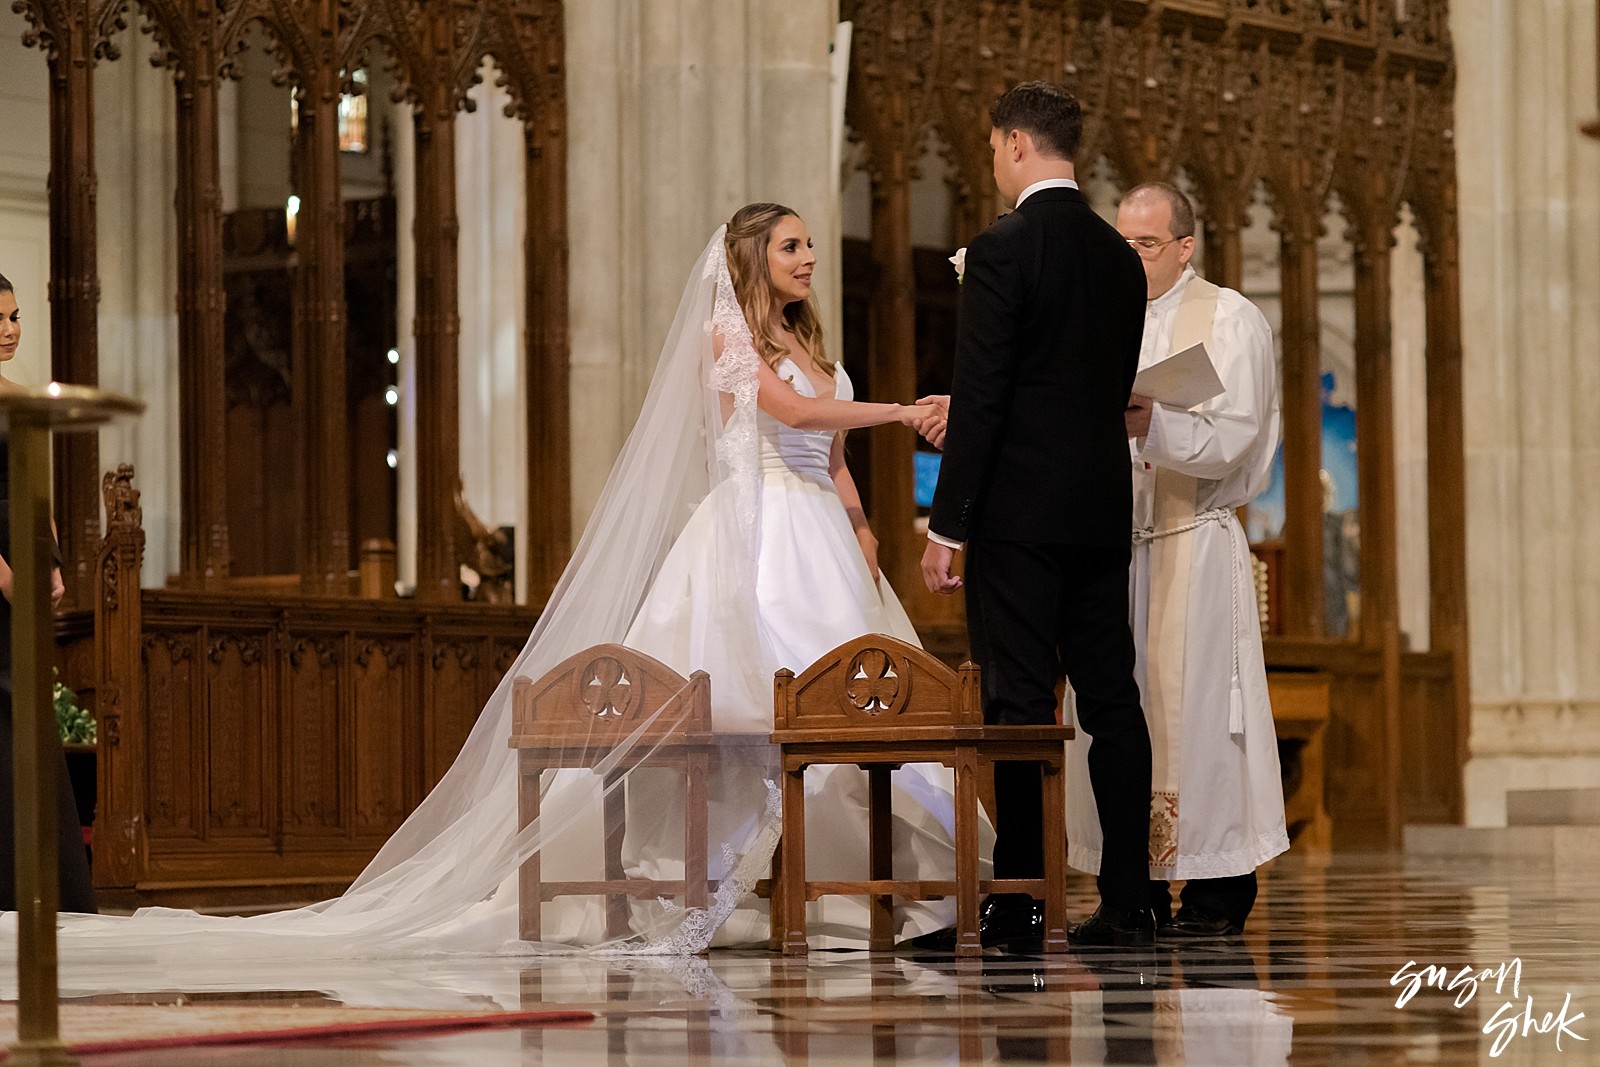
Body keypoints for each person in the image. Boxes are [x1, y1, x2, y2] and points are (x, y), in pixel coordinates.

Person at [11, 205, 976, 964]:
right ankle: (708, 885)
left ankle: (881, 893)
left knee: (862, 712)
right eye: (794, 246)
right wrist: (905, 408)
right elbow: (783, 409)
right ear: (752, 258)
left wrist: (861, 529)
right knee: (739, 717)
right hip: (755, 544)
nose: (810, 259)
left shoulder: (816, 342)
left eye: (811, 245)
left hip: (817, 535)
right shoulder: (732, 343)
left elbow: (827, 446)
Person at [919, 83, 1155, 948]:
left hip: (1019, 513)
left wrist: (949, 524)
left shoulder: (1003, 249)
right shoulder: (1120, 258)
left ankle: (1019, 900)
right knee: (1112, 698)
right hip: (1100, 506)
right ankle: (1131, 899)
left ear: (1016, 143)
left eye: (992, 146)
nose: (991, 160)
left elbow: (983, 398)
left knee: (1018, 702)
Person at [1068, 181, 1287, 938]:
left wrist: (1151, 421)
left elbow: (1237, 431)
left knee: (1202, 722)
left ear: (1186, 247)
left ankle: (1220, 886)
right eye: (1121, 243)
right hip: (1115, 554)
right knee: (1124, 721)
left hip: (1193, 542)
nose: (1130, 257)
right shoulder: (1100, 318)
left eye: (1146, 245)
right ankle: (1136, 885)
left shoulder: (1230, 318)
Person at [0, 273, 97, 914]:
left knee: (27, 726)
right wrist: (7, 577)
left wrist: (51, 565)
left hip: (22, 581)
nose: (10, 330)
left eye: (15, 318)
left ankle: (50, 898)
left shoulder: (20, 397)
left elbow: (38, 493)